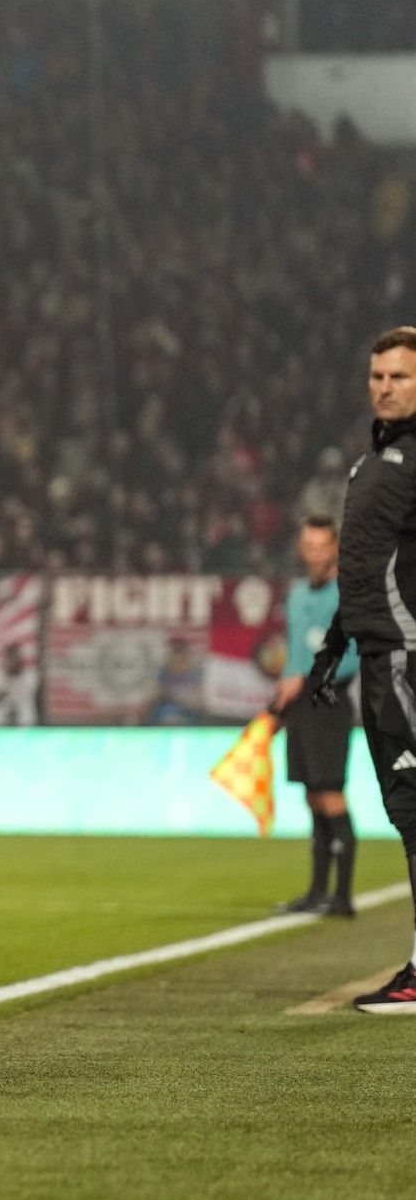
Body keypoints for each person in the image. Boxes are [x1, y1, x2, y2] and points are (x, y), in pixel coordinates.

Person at [304, 326, 416, 1013]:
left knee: (414, 806)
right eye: (378, 376)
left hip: (405, 656)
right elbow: (363, 567)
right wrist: (333, 647)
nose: (385, 386)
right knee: (407, 810)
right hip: (378, 654)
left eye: (400, 376)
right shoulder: (375, 461)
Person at [272, 516, 359, 916]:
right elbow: (294, 654)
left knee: (330, 794)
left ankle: (342, 898)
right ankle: (317, 891)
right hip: (301, 706)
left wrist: (304, 677)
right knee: (311, 795)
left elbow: (351, 659)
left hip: (329, 702)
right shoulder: (297, 596)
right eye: (308, 546)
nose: (314, 554)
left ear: (336, 547)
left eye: (321, 546)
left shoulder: (348, 595)